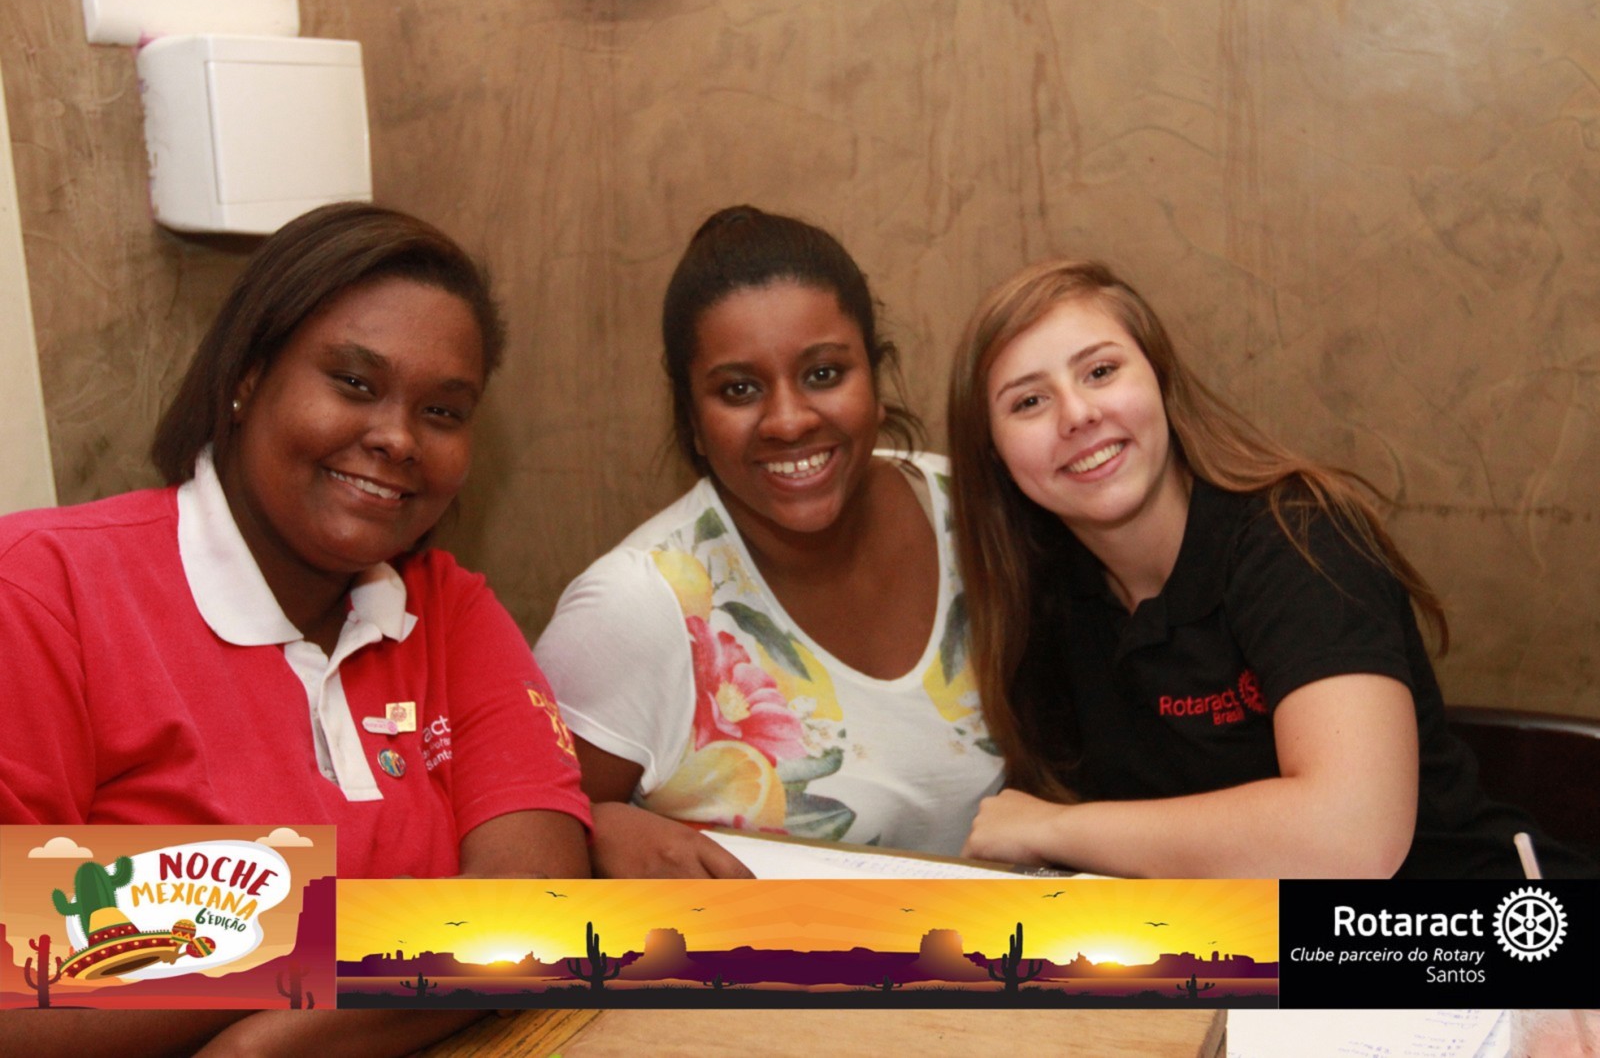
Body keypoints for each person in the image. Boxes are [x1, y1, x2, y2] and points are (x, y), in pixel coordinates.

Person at [0, 202, 591, 1053]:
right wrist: (374, 930)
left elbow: (538, 908)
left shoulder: (450, 609)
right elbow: (16, 980)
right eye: (354, 383)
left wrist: (262, 1041)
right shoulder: (41, 589)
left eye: (443, 411)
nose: (397, 438)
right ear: (247, 375)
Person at [946, 257, 1594, 879]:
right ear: (994, 454)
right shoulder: (1042, 595)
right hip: (1254, 944)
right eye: (1028, 402)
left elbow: (1352, 839)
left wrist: (1054, 827)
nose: (1078, 414)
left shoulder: (1299, 537)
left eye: (1100, 371)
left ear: (1160, 377)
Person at [535, 205, 1004, 877]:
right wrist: (598, 829)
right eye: (740, 389)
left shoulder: (981, 517)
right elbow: (527, 831)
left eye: (824, 374)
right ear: (692, 420)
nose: (788, 420)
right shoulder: (637, 606)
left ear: (876, 380)